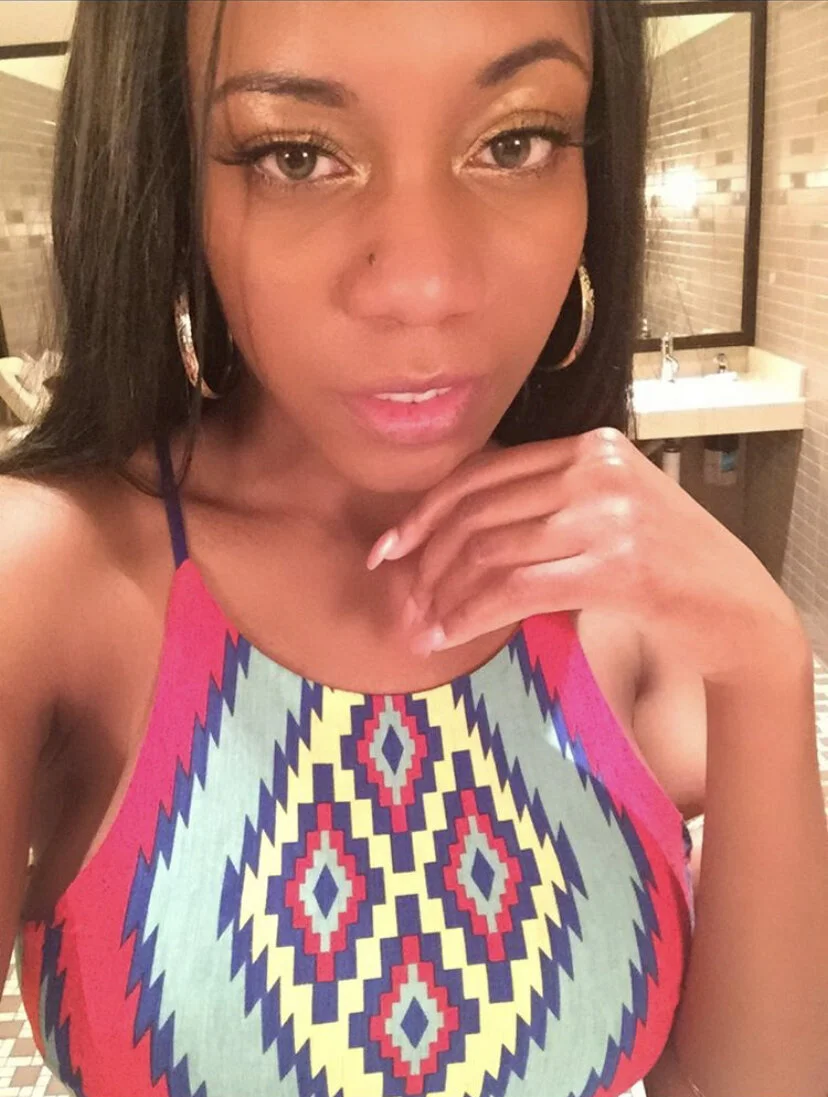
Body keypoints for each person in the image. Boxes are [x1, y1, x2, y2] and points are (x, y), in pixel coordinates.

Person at [1, 3, 826, 1096]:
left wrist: (765, 659)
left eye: (515, 141)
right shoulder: (47, 576)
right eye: (297, 155)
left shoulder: (614, 578)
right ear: (170, 178)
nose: (425, 287)